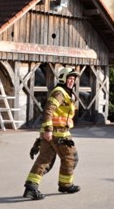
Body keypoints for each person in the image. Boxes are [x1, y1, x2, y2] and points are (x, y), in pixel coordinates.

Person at [23, 67, 81, 200]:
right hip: (58, 133)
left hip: (52, 133)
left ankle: (31, 188)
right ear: (63, 79)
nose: (72, 81)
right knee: (71, 158)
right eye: (70, 78)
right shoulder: (60, 92)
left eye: (73, 79)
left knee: (44, 160)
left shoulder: (64, 93)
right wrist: (48, 130)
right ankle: (65, 184)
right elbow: (48, 110)